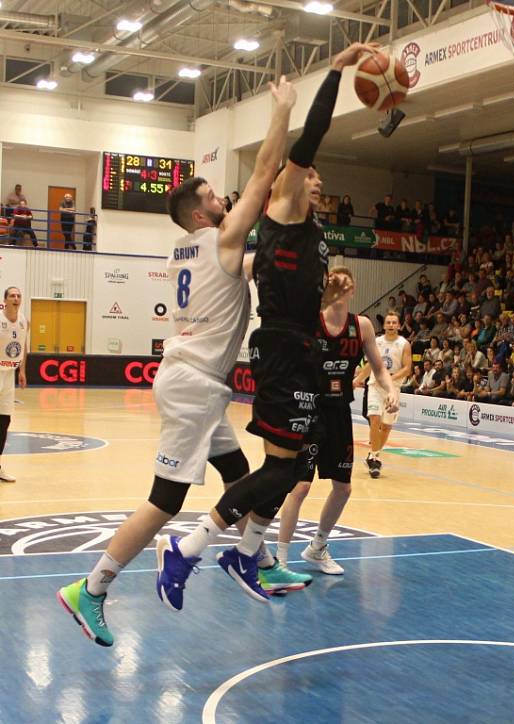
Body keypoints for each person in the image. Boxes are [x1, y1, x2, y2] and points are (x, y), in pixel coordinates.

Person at [56, 76, 297, 646]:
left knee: (242, 478)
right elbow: (265, 173)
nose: (225, 200)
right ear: (199, 213)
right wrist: (282, 111)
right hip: (194, 385)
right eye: (215, 197)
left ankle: (257, 559)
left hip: (197, 382)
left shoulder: (182, 250)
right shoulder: (218, 239)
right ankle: (90, 590)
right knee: (165, 500)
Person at [151, 43, 378, 609]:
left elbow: (289, 283)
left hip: (295, 343)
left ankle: (249, 555)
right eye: (308, 171)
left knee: (291, 466)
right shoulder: (282, 202)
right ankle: (197, 547)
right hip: (280, 347)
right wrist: (335, 71)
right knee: (281, 471)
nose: (315, 177)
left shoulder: (310, 230)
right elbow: (311, 138)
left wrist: (327, 293)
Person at [276, 267, 399, 576]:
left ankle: (317, 547)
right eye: (336, 283)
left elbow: (378, 368)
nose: (342, 288)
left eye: (347, 283)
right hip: (308, 410)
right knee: (300, 487)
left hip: (339, 412)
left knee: (343, 489)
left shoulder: (363, 326)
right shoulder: (309, 323)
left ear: (353, 290)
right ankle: (279, 559)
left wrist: (390, 388)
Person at [356, 310, 412, 478]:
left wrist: (389, 378)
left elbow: (407, 368)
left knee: (386, 427)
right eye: (388, 322)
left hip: (393, 389)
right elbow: (370, 365)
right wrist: (358, 379)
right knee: (375, 419)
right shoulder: (377, 341)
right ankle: (375, 458)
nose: (391, 325)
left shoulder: (404, 344)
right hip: (374, 385)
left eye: (394, 322)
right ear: (384, 325)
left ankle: (374, 454)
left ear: (399, 325)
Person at [0, 287, 27, 483]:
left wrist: (22, 371)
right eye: (12, 295)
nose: (16, 298)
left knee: (4, 421)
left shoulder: (24, 321)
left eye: (18, 296)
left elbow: (23, 346)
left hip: (9, 373)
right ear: (5, 300)